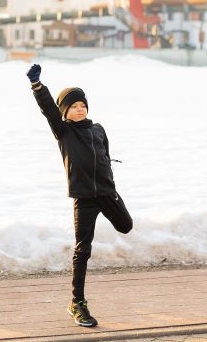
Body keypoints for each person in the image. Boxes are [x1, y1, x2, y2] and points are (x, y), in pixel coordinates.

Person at [26, 63, 133, 328]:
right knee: (82, 250)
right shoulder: (64, 132)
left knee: (126, 226)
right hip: (84, 199)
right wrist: (38, 86)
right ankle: (77, 303)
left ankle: (78, 302)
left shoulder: (98, 129)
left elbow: (105, 155)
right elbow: (48, 110)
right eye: (74, 106)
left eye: (82, 104)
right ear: (65, 112)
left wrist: (110, 181)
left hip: (107, 193)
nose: (80, 108)